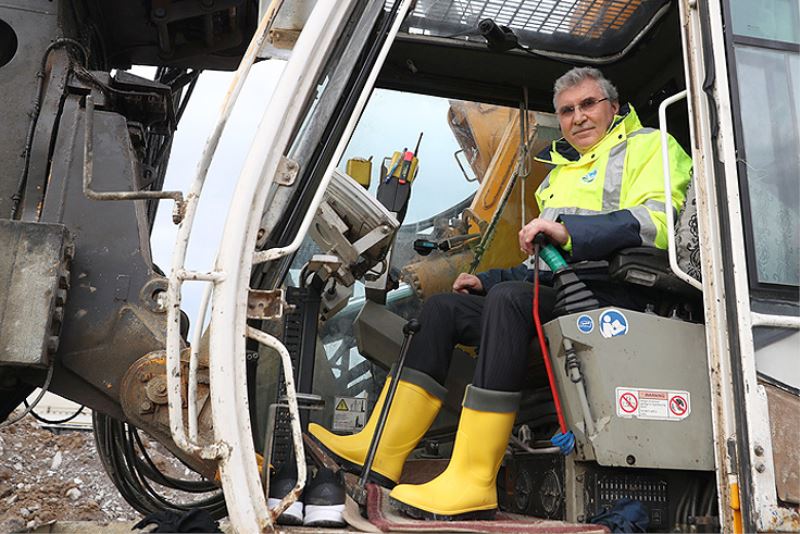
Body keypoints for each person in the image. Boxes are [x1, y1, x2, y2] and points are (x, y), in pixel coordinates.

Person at [309, 67, 693, 520]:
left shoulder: (652, 146)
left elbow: (660, 224)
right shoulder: (557, 175)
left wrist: (568, 233)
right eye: (567, 111)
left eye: (588, 105)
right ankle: (381, 451)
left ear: (612, 106)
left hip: (619, 293)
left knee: (510, 301)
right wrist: (485, 281)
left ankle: (473, 479)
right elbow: (542, 262)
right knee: (445, 308)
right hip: (563, 290)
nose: (578, 117)